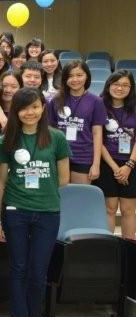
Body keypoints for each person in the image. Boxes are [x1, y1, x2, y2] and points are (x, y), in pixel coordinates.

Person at [0, 88, 71, 317]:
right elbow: (1, 182)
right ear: (16, 110)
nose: (30, 112)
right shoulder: (7, 139)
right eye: (25, 107)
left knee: (38, 269)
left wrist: (39, 186)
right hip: (16, 211)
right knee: (18, 267)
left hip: (48, 211)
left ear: (43, 108)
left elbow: (64, 178)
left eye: (35, 106)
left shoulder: (56, 137)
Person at [47, 60, 106, 184]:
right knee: (60, 196)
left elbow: (97, 133)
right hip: (59, 155)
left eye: (79, 75)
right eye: (70, 76)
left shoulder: (96, 101)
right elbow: (49, 129)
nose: (75, 79)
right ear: (64, 79)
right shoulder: (55, 100)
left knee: (79, 198)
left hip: (83, 156)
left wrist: (96, 164)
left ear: (87, 76)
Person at [97, 70, 136, 239]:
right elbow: (99, 139)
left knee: (128, 209)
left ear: (131, 88)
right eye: (116, 84)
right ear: (109, 85)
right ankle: (109, 252)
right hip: (106, 163)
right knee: (109, 208)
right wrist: (115, 168)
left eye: (125, 85)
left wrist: (128, 165)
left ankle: (129, 251)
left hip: (132, 163)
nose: (120, 88)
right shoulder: (99, 105)